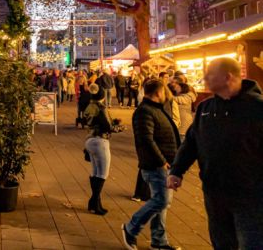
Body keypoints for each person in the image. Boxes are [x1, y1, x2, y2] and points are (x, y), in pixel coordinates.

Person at [168, 58, 263, 249]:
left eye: (210, 74)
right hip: (215, 193)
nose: (204, 78)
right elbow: (192, 142)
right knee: (222, 243)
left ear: (228, 77)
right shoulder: (206, 108)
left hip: (251, 196)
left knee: (251, 244)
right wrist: (176, 170)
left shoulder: (257, 109)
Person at [122, 79, 180, 250]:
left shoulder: (156, 110)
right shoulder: (144, 111)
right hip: (155, 165)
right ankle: (131, 228)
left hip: (165, 164)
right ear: (159, 92)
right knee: (161, 201)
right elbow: (146, 139)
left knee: (162, 203)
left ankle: (159, 241)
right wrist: (162, 161)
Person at [83, 83, 112, 215]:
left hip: (89, 140)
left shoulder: (89, 106)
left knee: (95, 172)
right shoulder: (101, 108)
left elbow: (85, 121)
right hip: (100, 141)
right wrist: (118, 127)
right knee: (102, 174)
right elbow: (107, 126)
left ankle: (95, 202)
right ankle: (95, 201)